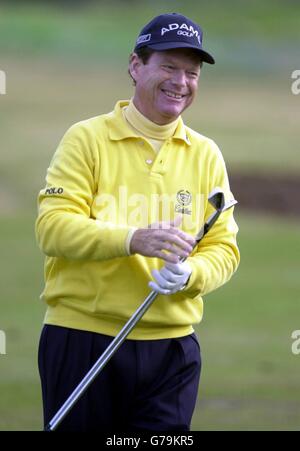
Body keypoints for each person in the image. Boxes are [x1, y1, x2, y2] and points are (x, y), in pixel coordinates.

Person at [36, 12, 240, 432]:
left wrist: (191, 274)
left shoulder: (206, 154)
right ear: (135, 66)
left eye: (192, 72)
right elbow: (53, 228)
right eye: (168, 67)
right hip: (83, 338)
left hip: (172, 348)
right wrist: (132, 239)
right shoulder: (86, 139)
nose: (180, 82)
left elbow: (223, 247)